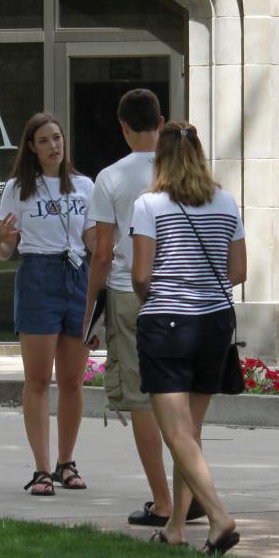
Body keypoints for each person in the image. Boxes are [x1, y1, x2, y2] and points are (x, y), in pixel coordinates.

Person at [82, 89, 204, 527]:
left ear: (122, 126)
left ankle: (164, 501)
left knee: (142, 400)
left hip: (129, 292)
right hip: (184, 292)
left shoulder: (110, 177)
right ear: (162, 121)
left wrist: (88, 310)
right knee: (184, 401)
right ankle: (194, 493)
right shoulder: (186, 171)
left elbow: (100, 253)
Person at [131, 121, 246, 555]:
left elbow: (141, 274)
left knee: (177, 434)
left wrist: (155, 294)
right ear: (199, 156)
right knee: (190, 432)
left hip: (167, 324)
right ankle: (177, 527)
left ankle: (219, 517)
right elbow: (239, 272)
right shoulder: (226, 202)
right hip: (214, 323)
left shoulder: (149, 205)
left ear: (159, 158)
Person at [0, 112, 95, 496]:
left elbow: (95, 243)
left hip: (77, 277)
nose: (54, 145)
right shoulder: (19, 188)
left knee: (72, 380)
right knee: (37, 379)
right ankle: (41, 470)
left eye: (58, 138)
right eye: (45, 140)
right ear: (32, 147)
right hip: (37, 276)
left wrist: (102, 287)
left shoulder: (84, 185)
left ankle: (67, 463)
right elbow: (3, 250)